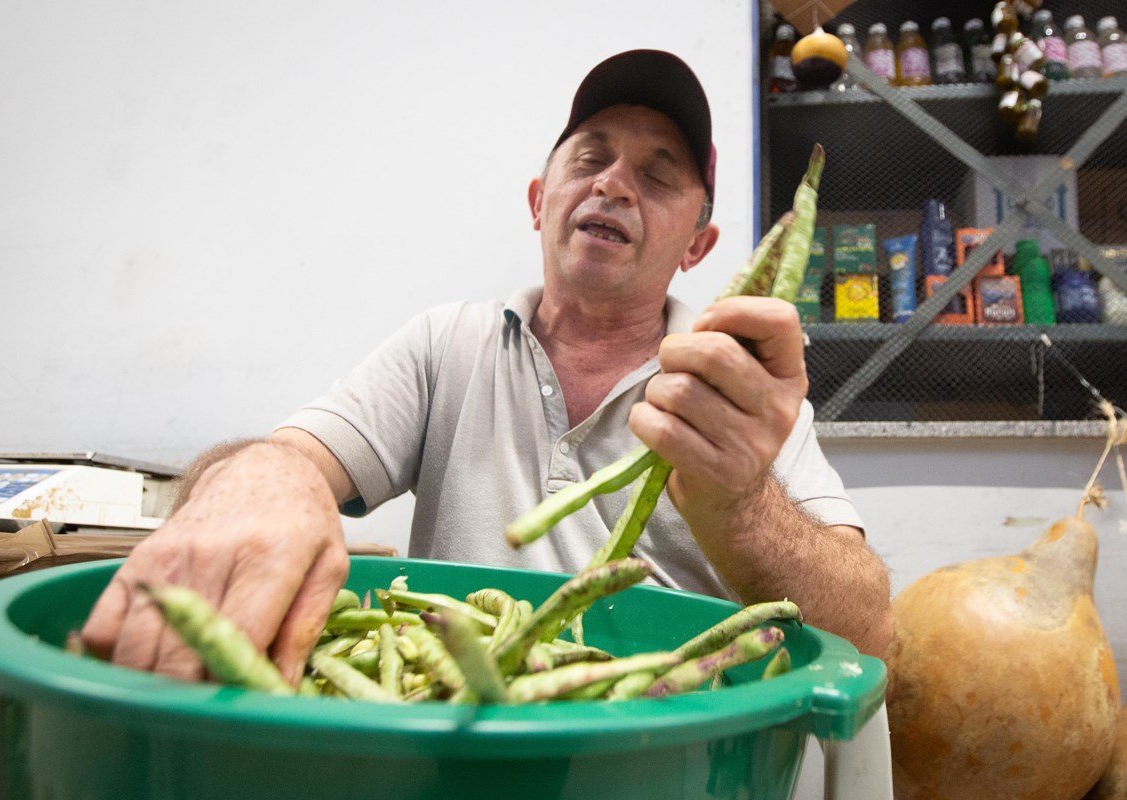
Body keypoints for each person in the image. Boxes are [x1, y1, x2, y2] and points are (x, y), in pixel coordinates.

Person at [82, 50, 893, 684]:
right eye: (590, 159)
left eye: (656, 177)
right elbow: (292, 460)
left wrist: (742, 502)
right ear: (541, 200)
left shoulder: (738, 392)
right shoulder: (450, 346)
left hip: (661, 742)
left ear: (697, 247)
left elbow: (868, 641)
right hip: (454, 733)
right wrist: (267, 479)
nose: (612, 184)